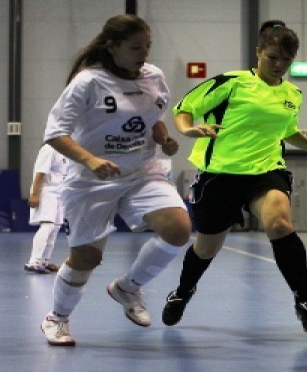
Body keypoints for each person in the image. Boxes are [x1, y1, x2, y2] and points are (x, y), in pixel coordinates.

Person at [161, 20, 307, 333]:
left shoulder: (293, 93)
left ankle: (304, 301)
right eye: (272, 57)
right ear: (258, 52)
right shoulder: (231, 82)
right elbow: (184, 107)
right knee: (206, 248)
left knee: (279, 223)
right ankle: (182, 291)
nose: (279, 65)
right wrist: (189, 130)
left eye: (286, 60)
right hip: (221, 174)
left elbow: (288, 131)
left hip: (266, 170)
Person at [40, 14, 192, 346]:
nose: (144, 54)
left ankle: (128, 287)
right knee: (86, 258)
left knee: (179, 228)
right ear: (112, 47)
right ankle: (57, 318)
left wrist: (163, 138)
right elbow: (54, 134)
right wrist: (91, 159)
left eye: (148, 46)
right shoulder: (88, 82)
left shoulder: (154, 77)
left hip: (141, 171)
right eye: (136, 47)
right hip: (91, 178)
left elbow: (153, 118)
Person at [24, 144, 67, 274]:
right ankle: (34, 261)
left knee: (55, 227)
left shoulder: (65, 150)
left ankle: (44, 261)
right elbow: (40, 172)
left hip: (60, 193)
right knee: (47, 226)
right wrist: (35, 194)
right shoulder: (49, 148)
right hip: (46, 192)